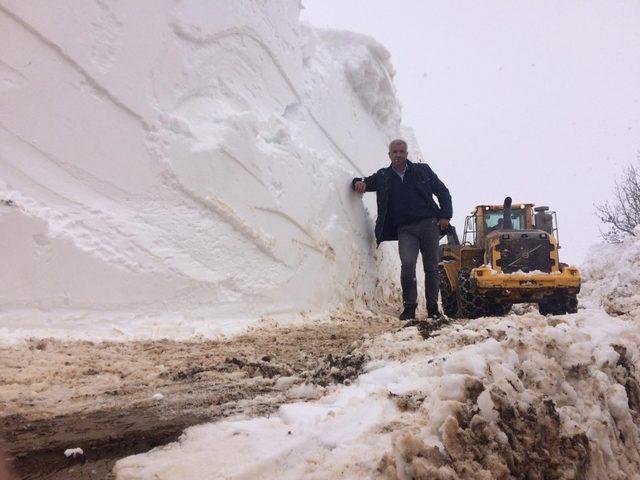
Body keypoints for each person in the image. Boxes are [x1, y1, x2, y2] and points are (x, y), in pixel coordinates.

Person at [352, 139, 452, 322]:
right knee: (407, 266)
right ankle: (409, 308)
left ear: (406, 154)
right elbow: (366, 182)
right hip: (405, 229)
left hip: (429, 225)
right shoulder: (384, 176)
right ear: (389, 155)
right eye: (395, 151)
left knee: (431, 267)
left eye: (401, 151)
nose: (398, 154)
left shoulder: (423, 171)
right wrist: (358, 182)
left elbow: (442, 191)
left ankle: (433, 308)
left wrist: (445, 216)